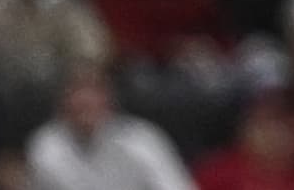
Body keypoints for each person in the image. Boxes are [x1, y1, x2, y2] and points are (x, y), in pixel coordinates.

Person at [29, 67, 195, 190]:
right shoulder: (47, 145)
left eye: (92, 97)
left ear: (109, 101)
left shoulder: (142, 140)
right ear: (63, 104)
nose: (84, 103)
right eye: (77, 100)